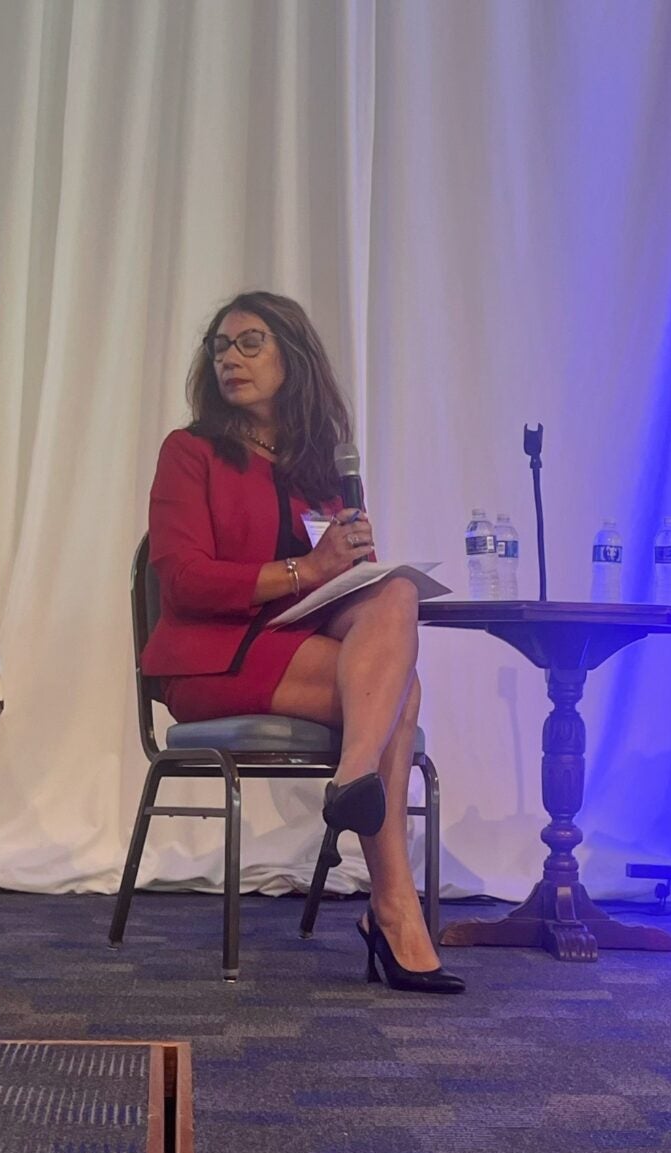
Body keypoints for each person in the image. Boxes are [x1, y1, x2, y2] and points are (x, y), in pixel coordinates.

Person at [144, 291, 461, 995]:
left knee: (397, 596)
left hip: (288, 642)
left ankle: (353, 783)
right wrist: (307, 570)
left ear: (293, 355)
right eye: (220, 347)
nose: (230, 357)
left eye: (250, 342)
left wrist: (350, 572)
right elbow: (184, 581)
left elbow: (326, 597)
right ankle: (394, 908)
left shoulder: (321, 467)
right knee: (398, 693)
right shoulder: (190, 453)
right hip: (210, 657)